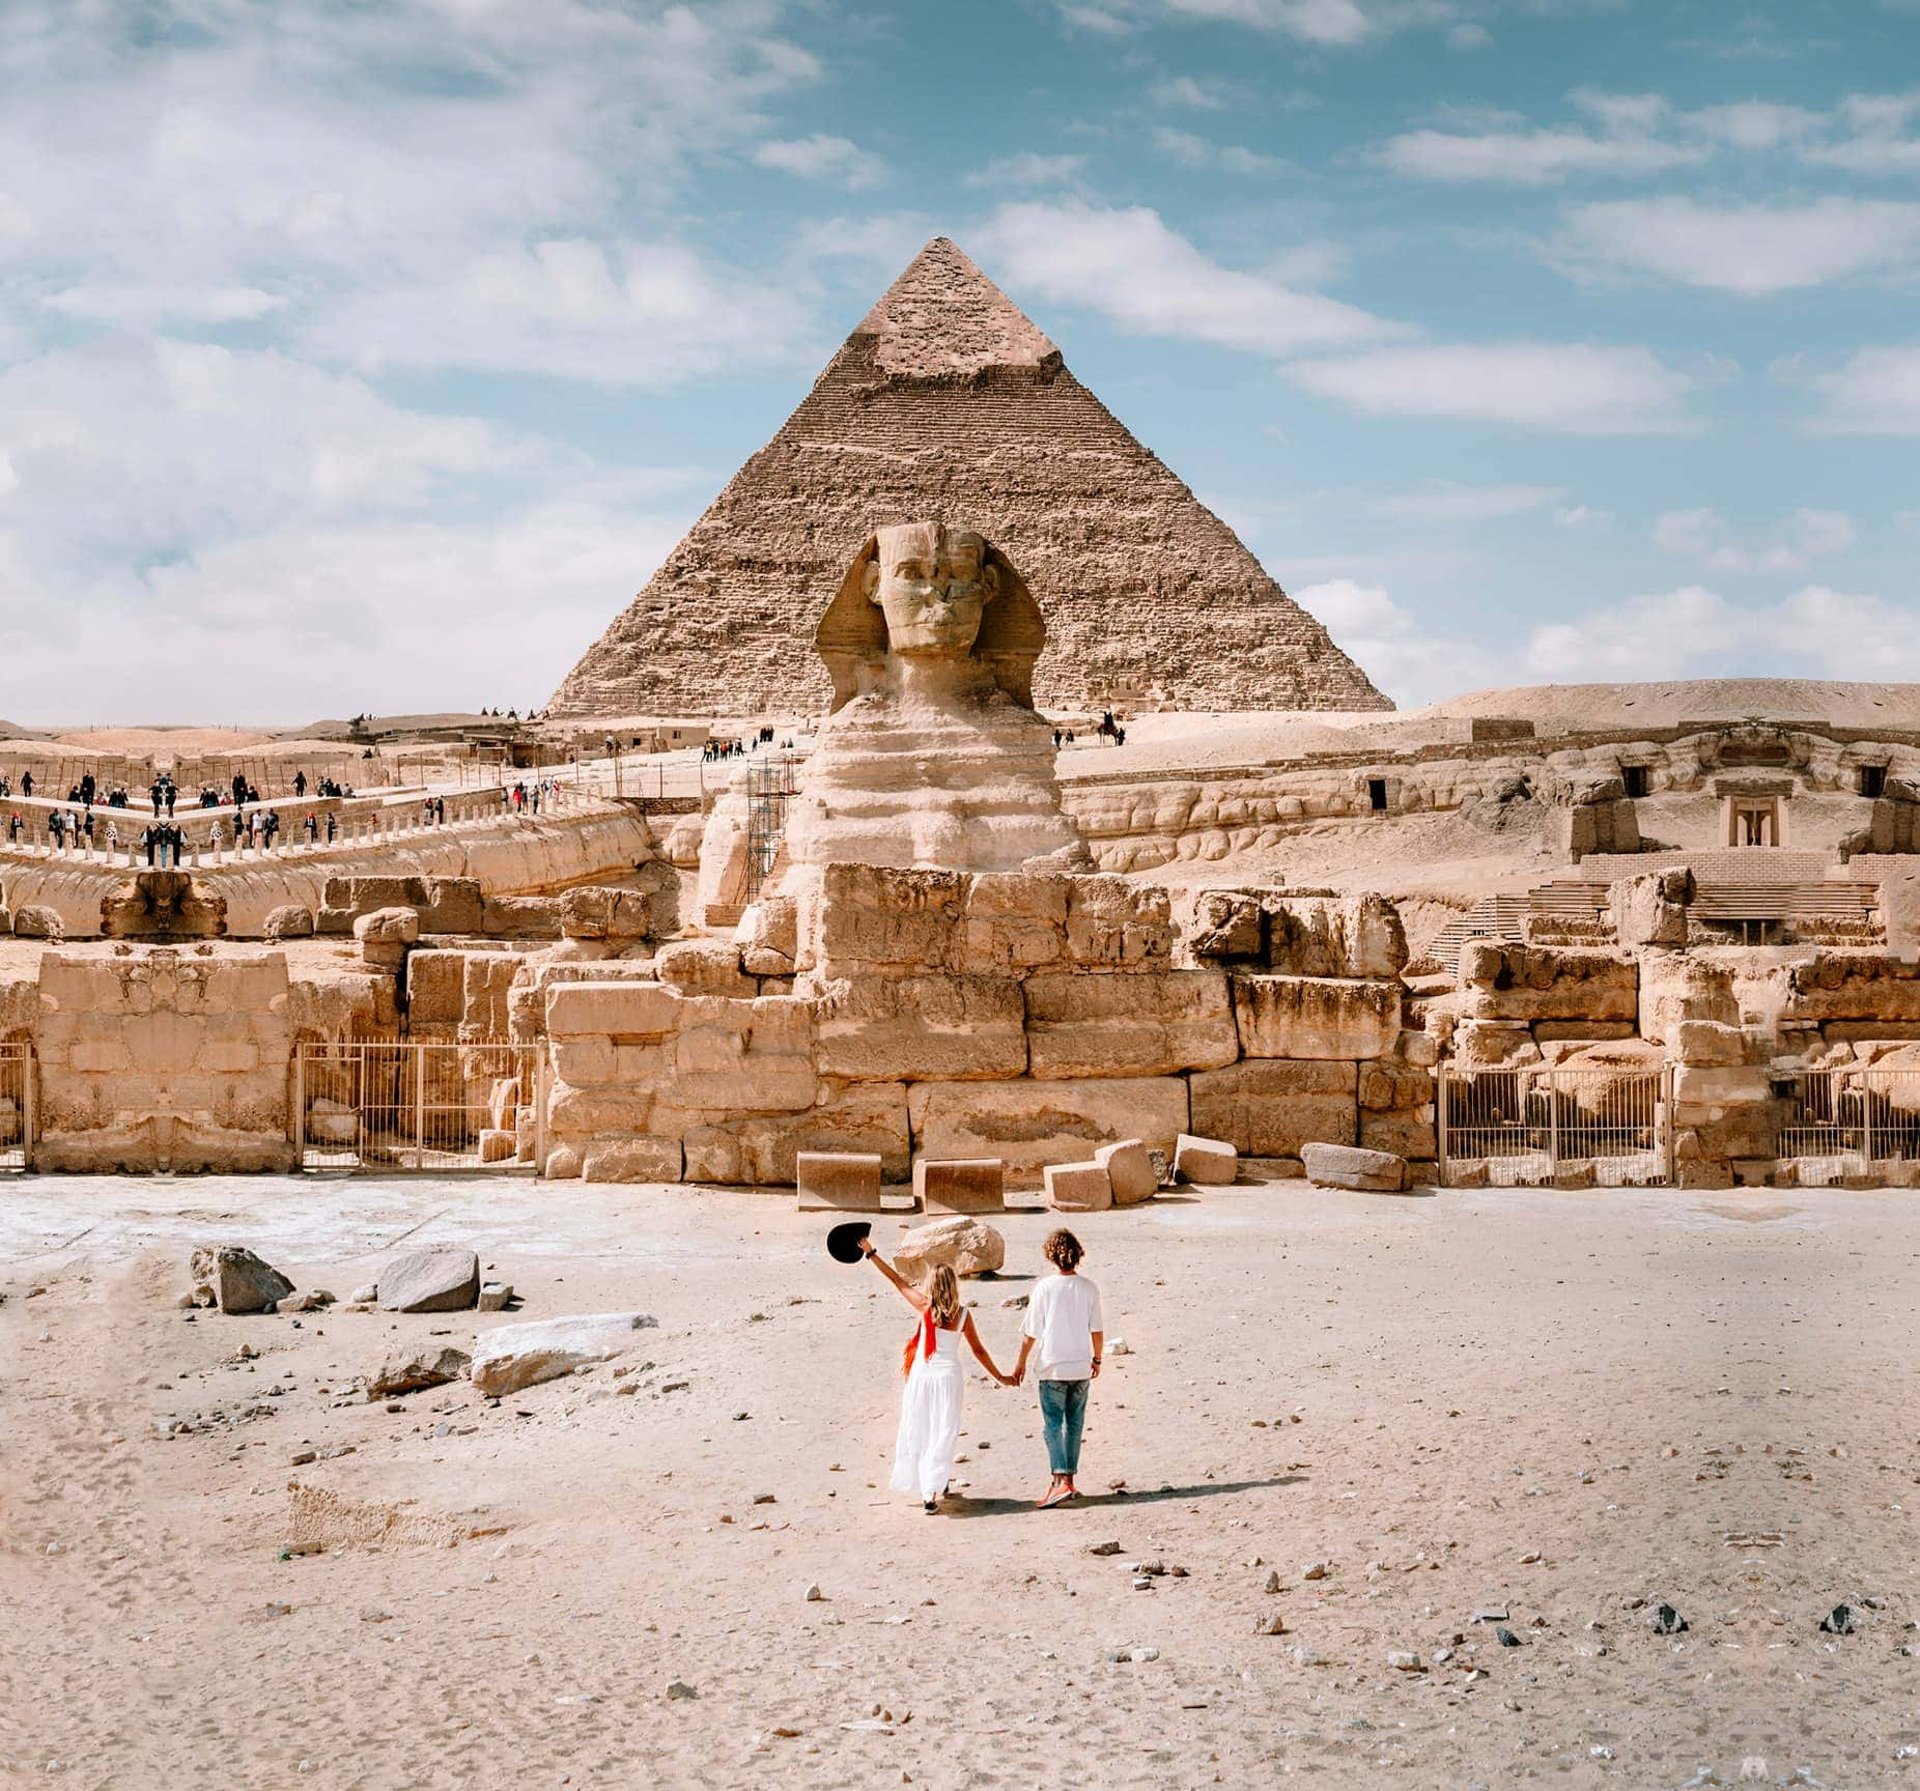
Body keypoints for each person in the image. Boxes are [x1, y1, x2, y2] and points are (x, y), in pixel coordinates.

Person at [860, 1238, 1013, 1513]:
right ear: (954, 1286)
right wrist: (1000, 1377)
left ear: (931, 1285)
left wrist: (871, 1253)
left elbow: (898, 1281)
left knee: (920, 1427)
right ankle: (934, 1485)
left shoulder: (924, 1307)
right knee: (943, 1430)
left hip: (923, 1375)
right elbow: (979, 1351)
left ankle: (929, 1491)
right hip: (948, 1378)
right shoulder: (963, 1315)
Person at [1011, 1229, 1105, 1509]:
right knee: (1074, 1425)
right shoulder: (1089, 1287)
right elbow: (1097, 1329)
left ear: (1051, 1255)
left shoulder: (1044, 1288)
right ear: (1078, 1255)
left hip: (1052, 1366)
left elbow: (1031, 1333)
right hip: (1080, 1366)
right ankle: (1070, 1481)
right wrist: (1097, 1359)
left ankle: (1058, 1480)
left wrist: (1021, 1362)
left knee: (1053, 1425)